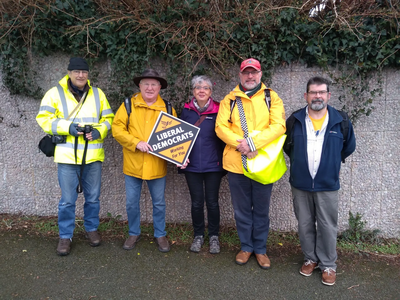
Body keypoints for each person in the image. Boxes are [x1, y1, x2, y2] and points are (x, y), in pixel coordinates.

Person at [36, 57, 114, 256]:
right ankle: (65, 236)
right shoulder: (54, 94)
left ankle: (91, 229)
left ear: (88, 74)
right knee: (68, 200)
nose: (81, 75)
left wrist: (99, 131)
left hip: (92, 156)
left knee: (93, 198)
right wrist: (67, 127)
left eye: (84, 72)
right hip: (67, 157)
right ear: (69, 73)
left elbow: (108, 119)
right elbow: (43, 119)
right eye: (77, 71)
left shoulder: (98, 94)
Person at [283, 76, 356, 286]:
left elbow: (348, 146)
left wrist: (331, 164)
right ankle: (310, 258)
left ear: (328, 95)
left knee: (327, 225)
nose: (317, 96)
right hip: (301, 183)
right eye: (313, 92)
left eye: (321, 92)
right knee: (305, 224)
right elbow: (288, 147)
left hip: (328, 184)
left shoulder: (340, 121)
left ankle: (328, 264)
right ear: (306, 96)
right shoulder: (295, 120)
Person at [215, 58, 286, 269]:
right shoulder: (229, 100)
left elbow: (279, 126)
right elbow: (220, 128)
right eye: (246, 73)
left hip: (263, 164)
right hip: (237, 164)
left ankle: (261, 250)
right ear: (240, 75)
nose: (250, 76)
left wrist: (253, 143)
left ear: (260, 74)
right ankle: (246, 247)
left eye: (253, 72)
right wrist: (242, 145)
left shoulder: (271, 98)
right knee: (242, 210)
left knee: (262, 210)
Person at [112, 69, 177, 253]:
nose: (150, 87)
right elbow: (117, 129)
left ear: (159, 87)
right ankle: (133, 232)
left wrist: (180, 156)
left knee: (159, 203)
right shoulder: (128, 105)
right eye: (146, 84)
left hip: (157, 165)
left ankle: (160, 234)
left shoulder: (169, 108)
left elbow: (177, 137)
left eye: (154, 84)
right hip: (133, 164)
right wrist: (135, 142)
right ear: (139, 86)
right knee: (132, 203)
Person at [178, 75, 225, 254]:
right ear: (193, 91)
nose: (201, 90)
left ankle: (214, 236)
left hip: (213, 165)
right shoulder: (186, 111)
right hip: (191, 166)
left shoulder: (220, 110)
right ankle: (198, 235)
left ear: (211, 92)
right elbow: (179, 138)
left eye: (205, 87)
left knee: (212, 202)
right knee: (197, 203)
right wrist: (179, 158)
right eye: (198, 87)